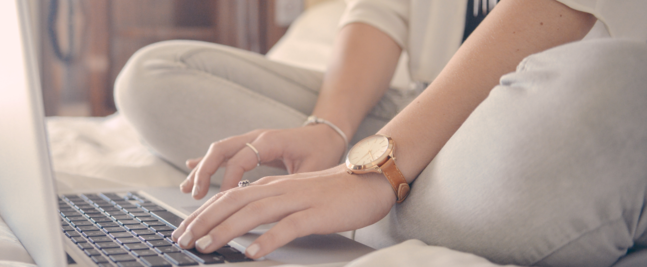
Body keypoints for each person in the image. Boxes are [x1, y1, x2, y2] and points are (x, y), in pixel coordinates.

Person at [114, 0, 647, 266]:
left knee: (620, 80)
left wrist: (368, 174)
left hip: (539, 116)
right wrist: (329, 128)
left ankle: (356, 195)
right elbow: (380, 10)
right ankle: (372, 195)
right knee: (157, 74)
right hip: (423, 100)